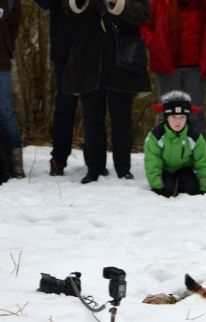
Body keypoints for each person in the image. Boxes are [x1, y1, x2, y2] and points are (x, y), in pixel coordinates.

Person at [64, 0, 151, 184]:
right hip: (88, 61)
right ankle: (94, 167)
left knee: (121, 117)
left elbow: (142, 14)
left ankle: (123, 168)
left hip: (122, 60)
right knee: (92, 118)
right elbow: (69, 13)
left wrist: (117, 3)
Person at [140, 0, 206, 137]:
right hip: (166, 65)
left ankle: (197, 155)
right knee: (167, 113)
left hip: (197, 67)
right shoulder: (158, 2)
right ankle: (164, 153)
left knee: (194, 114)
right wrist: (154, 44)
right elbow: (146, 25)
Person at [34, 0, 79, 176]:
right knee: (65, 103)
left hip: (94, 47)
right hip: (64, 48)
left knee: (94, 106)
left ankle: (95, 161)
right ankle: (59, 158)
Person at [144, 90, 206, 197]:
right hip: (165, 169)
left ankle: (181, 183)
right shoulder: (156, 135)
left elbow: (202, 161)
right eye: (173, 117)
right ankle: (170, 184)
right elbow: (152, 162)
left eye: (182, 117)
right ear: (167, 118)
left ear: (187, 118)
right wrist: (157, 186)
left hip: (184, 169)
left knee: (192, 188)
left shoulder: (194, 136)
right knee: (168, 190)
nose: (178, 121)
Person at [0, 0, 23, 179]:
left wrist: (7, 49)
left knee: (6, 111)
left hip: (1, 62)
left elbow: (14, 25)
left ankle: (16, 163)